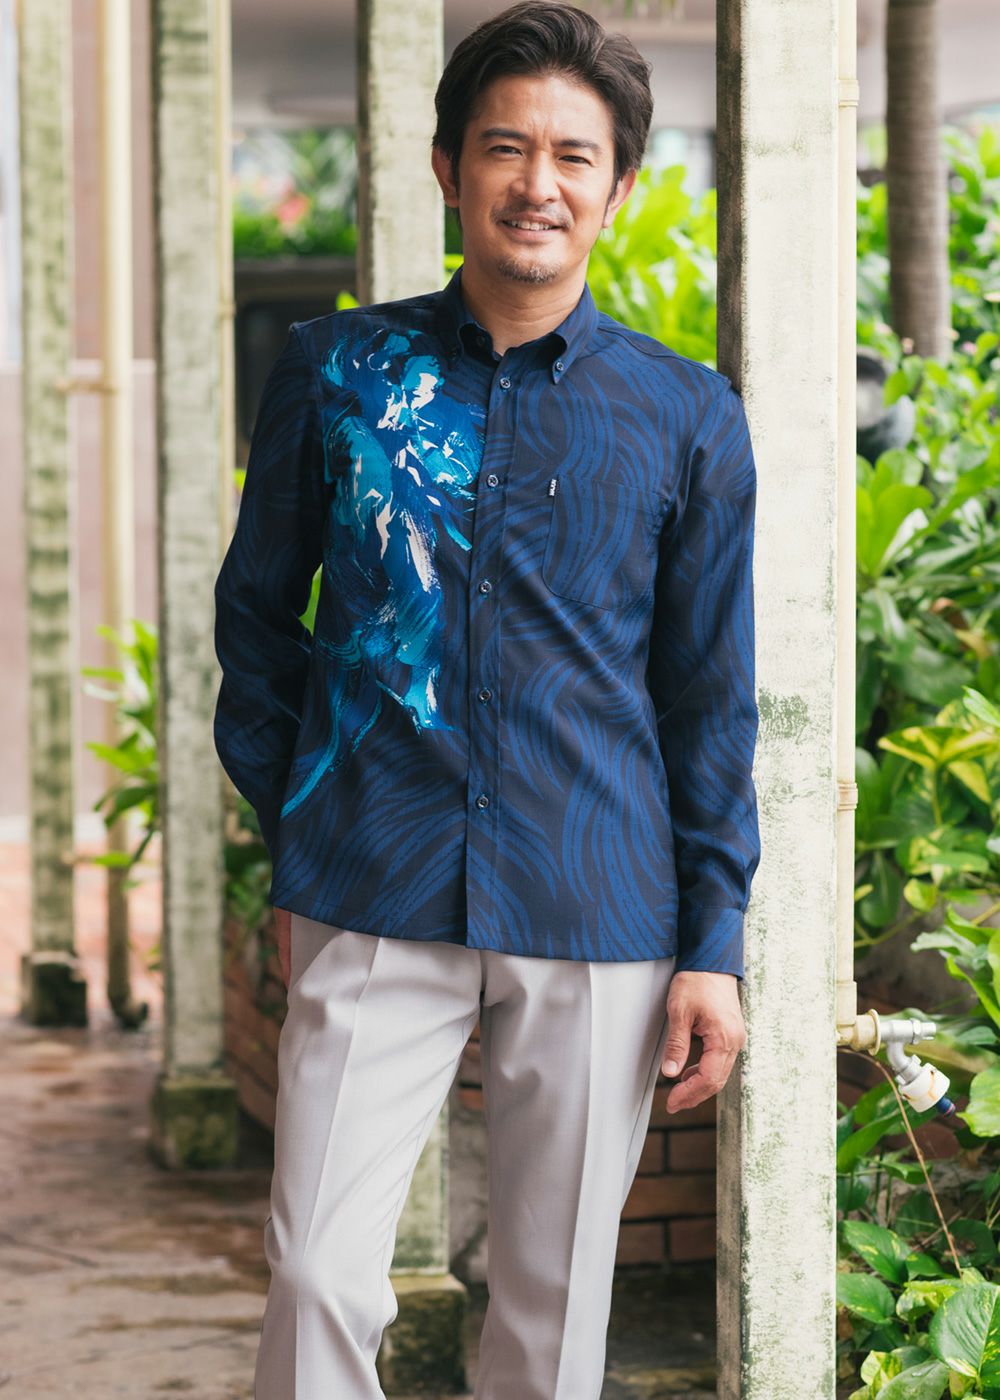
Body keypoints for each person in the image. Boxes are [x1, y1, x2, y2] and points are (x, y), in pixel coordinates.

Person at [213, 3, 761, 1396]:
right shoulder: (337, 373)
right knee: (318, 1271)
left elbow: (708, 696)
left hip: (597, 897)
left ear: (618, 190)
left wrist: (714, 942)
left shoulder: (686, 414)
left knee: (553, 1305)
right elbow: (256, 619)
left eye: (575, 156)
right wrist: (302, 826)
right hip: (371, 878)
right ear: (449, 167)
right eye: (507, 147)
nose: (539, 183)